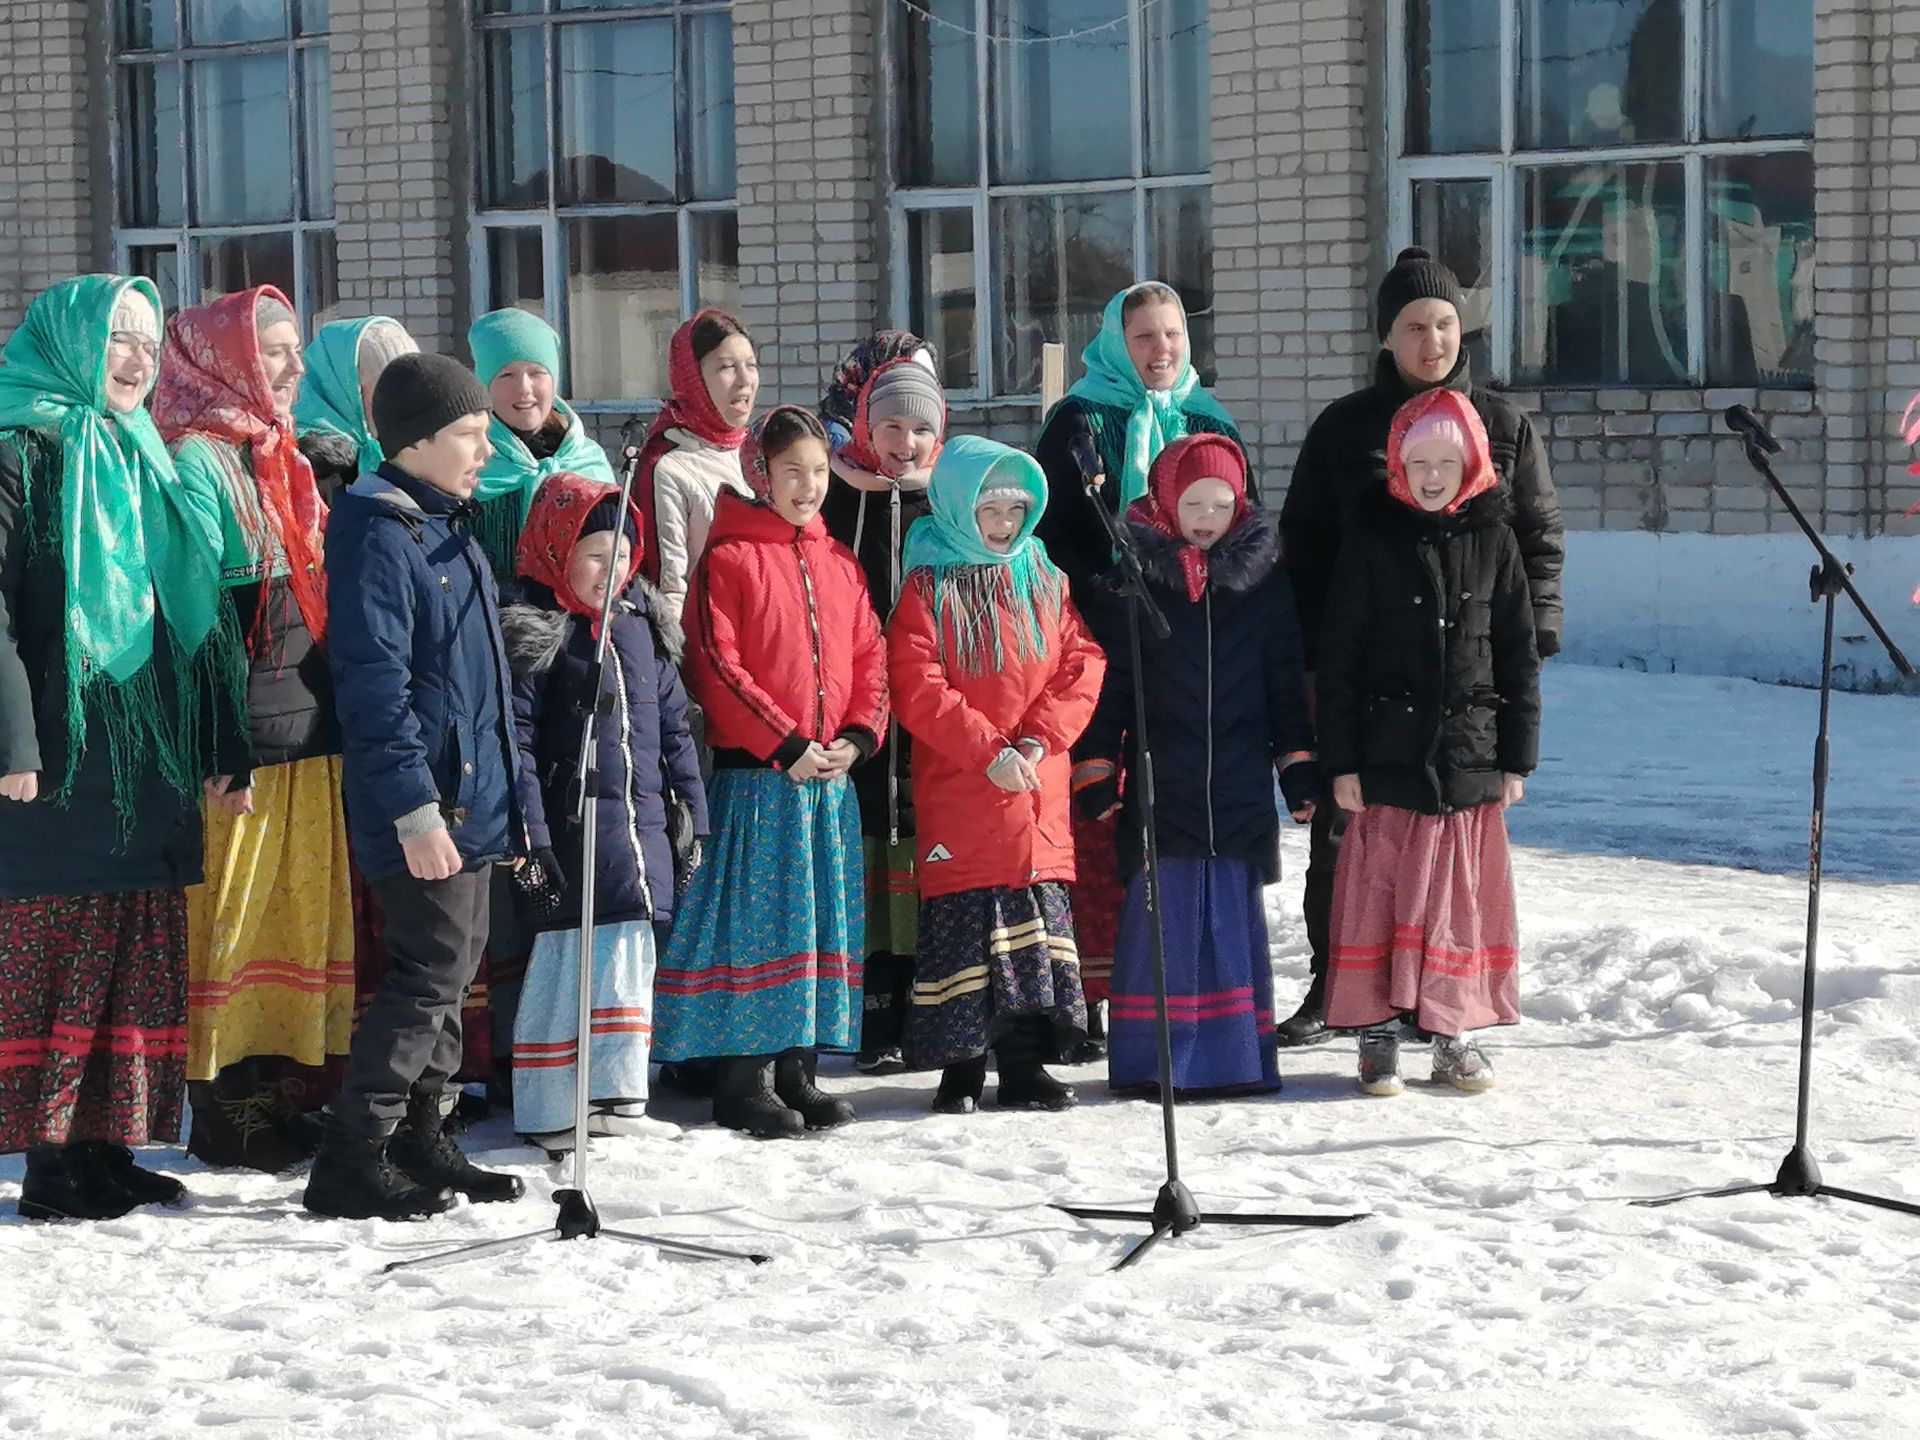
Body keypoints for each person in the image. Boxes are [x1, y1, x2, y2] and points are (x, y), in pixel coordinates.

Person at [0, 274, 249, 1220]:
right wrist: (13, 738)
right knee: (59, 943)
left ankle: (104, 1147)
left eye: (149, 343)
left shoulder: (146, 453)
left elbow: (199, 616)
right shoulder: (19, 450)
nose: (139, 362)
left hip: (145, 749)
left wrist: (221, 741)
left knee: (129, 937)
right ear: (70, 346)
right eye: (118, 341)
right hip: (58, 754)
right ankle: (52, 1163)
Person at [1278, 246, 1564, 1049]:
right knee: (1351, 837)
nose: (1431, 340)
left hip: (1466, 672)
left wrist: (1535, 633)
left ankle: (1439, 997)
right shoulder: (1344, 427)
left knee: (1453, 846)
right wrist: (1306, 653)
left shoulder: (1504, 425)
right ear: (1387, 336)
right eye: (1413, 326)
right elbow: (1303, 542)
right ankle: (1339, 986)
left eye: (1443, 323)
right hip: (1362, 670)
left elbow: (1536, 536)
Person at [305, 352, 529, 1220]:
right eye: (469, 435)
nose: (484, 450)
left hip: (467, 799)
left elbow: (478, 680)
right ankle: (351, 1153)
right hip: (422, 806)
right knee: (427, 974)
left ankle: (420, 1137)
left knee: (453, 967)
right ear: (418, 441)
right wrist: (414, 809)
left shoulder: (443, 523)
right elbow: (373, 686)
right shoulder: (376, 533)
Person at [152, 286, 355, 1173]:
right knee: (232, 919)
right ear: (224, 357)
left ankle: (272, 1089)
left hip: (305, 728)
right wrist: (220, 741)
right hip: (242, 739)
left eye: (295, 352)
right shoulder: (195, 460)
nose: (291, 368)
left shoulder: (281, 457)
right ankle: (223, 1103)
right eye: (272, 350)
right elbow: (200, 617)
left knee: (293, 916)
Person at [652, 406, 887, 1139]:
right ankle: (741, 1074)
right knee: (756, 925)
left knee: (817, 922)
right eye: (792, 472)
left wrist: (856, 736)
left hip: (827, 784)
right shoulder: (728, 559)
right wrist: (783, 744)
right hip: (762, 781)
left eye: (819, 471)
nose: (809, 485)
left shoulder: (839, 563)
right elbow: (717, 663)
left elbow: (871, 658)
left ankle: (797, 1067)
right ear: (760, 473)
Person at [1033, 282, 1242, 1056]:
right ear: (1118, 343)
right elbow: (1050, 540)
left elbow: (1237, 533)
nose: (1162, 351)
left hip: (1187, 656)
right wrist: (1111, 591)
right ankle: (1085, 993)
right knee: (1097, 817)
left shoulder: (1209, 421)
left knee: (1176, 825)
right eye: (1145, 337)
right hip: (1099, 655)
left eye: (1173, 336)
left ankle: (1169, 992)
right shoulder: (1082, 422)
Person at [1077, 434, 1317, 1096]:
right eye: (1193, 502)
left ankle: (1233, 1060)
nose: (1206, 516)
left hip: (1237, 785)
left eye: (1220, 502)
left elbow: (1283, 691)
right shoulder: (1135, 584)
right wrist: (1096, 765)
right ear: (1165, 501)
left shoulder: (1264, 589)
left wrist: (1296, 767)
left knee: (1229, 926)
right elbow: (1112, 687)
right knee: (1168, 925)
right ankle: (1155, 1062)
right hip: (1163, 783)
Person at [1316, 387, 1540, 1096]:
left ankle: (1452, 1033)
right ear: (1398, 465)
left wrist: (1516, 756)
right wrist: (1341, 761)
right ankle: (1377, 1037)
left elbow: (1517, 653)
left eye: (1450, 459)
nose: (1434, 473)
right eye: (1420, 460)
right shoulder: (1371, 538)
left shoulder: (1495, 540)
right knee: (1381, 893)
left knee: (1454, 904)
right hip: (1387, 760)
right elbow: (1341, 657)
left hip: (1467, 756)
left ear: (1473, 463)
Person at [887, 436, 1104, 1114]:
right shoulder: (928, 586)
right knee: (967, 930)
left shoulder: (1046, 576)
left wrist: (1039, 742)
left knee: (1032, 931)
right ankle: (961, 1067)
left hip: (1036, 787)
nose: (1006, 524)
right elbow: (917, 684)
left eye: (1017, 509)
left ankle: (1024, 1064)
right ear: (957, 507)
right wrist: (988, 751)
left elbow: (1081, 664)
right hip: (964, 786)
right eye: (990, 509)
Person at [502, 473, 706, 1156]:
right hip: (563, 839)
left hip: (639, 841)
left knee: (629, 962)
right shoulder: (536, 629)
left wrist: (693, 816)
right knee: (564, 964)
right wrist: (530, 836)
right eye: (593, 553)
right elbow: (518, 744)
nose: (610, 568)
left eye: (622, 553)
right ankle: (548, 1105)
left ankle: (619, 1095)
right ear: (557, 548)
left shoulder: (642, 626)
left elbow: (674, 729)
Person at [819, 340, 946, 1075]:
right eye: (891, 427)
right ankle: (869, 1014)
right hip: (854, 711)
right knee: (865, 847)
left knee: (921, 847)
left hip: (926, 715)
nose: (906, 443)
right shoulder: (836, 494)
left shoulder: (949, 499)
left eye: (920, 429)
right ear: (865, 425)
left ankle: (929, 1006)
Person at [466, 308, 616, 583]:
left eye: (536, 373)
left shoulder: (587, 461)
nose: (524, 388)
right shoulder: (469, 463)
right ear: (484, 386)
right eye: (506, 375)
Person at [637, 308, 759, 619]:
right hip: (709, 641)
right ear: (692, 378)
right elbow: (669, 589)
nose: (745, 380)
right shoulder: (667, 466)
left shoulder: (758, 450)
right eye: (728, 367)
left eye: (752, 365)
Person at [293, 316, 418, 501]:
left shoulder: (387, 446)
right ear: (351, 391)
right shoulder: (307, 461)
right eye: (387, 387)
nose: (402, 399)